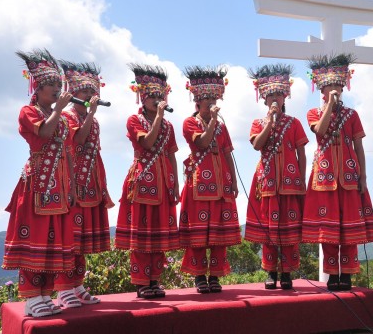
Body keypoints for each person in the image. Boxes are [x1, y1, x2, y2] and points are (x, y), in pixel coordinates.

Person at [3, 49, 75, 317]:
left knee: (52, 239)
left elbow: (67, 151)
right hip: (38, 184)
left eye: (59, 84)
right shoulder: (28, 111)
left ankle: (45, 293)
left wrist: (73, 187)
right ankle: (32, 296)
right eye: (53, 85)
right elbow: (44, 134)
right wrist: (57, 111)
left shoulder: (62, 117)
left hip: (60, 183)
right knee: (35, 238)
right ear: (38, 87)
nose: (58, 89)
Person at [302, 53, 373, 291]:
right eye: (329, 86)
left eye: (338, 85)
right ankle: (332, 274)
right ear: (321, 91)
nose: (334, 89)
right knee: (329, 228)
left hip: (348, 175)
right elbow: (321, 131)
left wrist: (363, 176)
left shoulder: (352, 115)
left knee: (349, 227)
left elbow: (359, 147)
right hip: (324, 177)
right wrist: (330, 107)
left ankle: (348, 275)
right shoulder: (313, 113)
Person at [114, 64, 180, 299]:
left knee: (159, 234)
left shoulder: (169, 126)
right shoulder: (135, 120)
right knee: (142, 234)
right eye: (152, 96)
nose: (156, 99)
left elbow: (172, 154)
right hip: (142, 181)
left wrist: (176, 185)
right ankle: (142, 282)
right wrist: (160, 117)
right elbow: (148, 144)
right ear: (142, 97)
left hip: (163, 182)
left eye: (159, 95)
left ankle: (155, 279)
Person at [52, 61, 114, 307]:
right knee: (70, 237)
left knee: (83, 239)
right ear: (73, 93)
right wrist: (90, 115)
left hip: (91, 181)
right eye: (85, 91)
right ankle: (62, 287)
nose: (90, 96)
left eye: (93, 91)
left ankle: (77, 283)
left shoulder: (91, 119)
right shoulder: (67, 115)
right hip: (74, 180)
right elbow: (77, 140)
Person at [244, 64, 308, 290]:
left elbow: (301, 153)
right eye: (271, 95)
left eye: (279, 94)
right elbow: (257, 145)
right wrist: (269, 123)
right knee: (269, 230)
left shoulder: (295, 123)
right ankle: (271, 272)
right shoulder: (258, 123)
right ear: (264, 98)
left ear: (285, 97)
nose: (275, 98)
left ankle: (288, 273)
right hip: (267, 182)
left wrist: (301, 179)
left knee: (289, 228)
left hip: (290, 183)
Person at [179, 65, 241, 294]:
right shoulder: (189, 123)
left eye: (214, 98)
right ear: (198, 102)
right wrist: (213, 121)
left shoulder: (222, 127)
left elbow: (227, 154)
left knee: (219, 234)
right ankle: (198, 277)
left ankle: (215, 276)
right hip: (199, 185)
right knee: (199, 232)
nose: (212, 103)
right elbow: (202, 143)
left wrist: (233, 181)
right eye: (208, 100)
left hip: (221, 183)